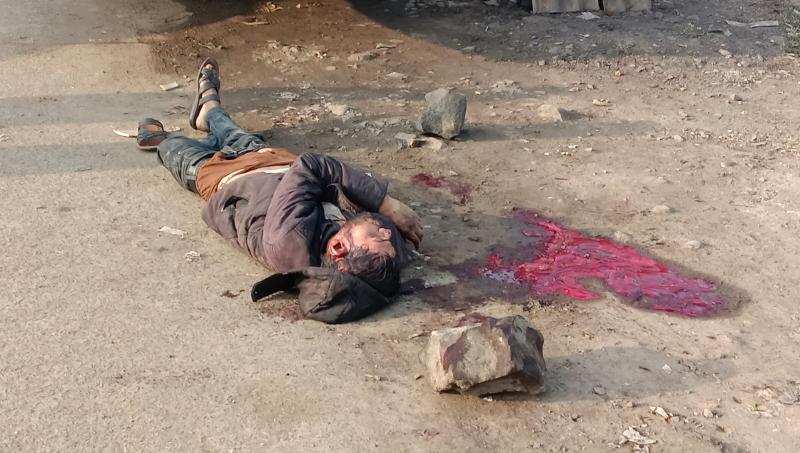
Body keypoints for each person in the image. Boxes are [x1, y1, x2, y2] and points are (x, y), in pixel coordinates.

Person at [138, 58, 423, 311]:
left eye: (378, 238)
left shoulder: (289, 243)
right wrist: (386, 224)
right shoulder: (375, 260)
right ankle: (208, 109)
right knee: (227, 127)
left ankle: (163, 138)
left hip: (225, 176)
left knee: (175, 150)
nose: (387, 232)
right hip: (272, 158)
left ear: (338, 248)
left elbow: (312, 165)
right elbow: (392, 241)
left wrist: (384, 202)